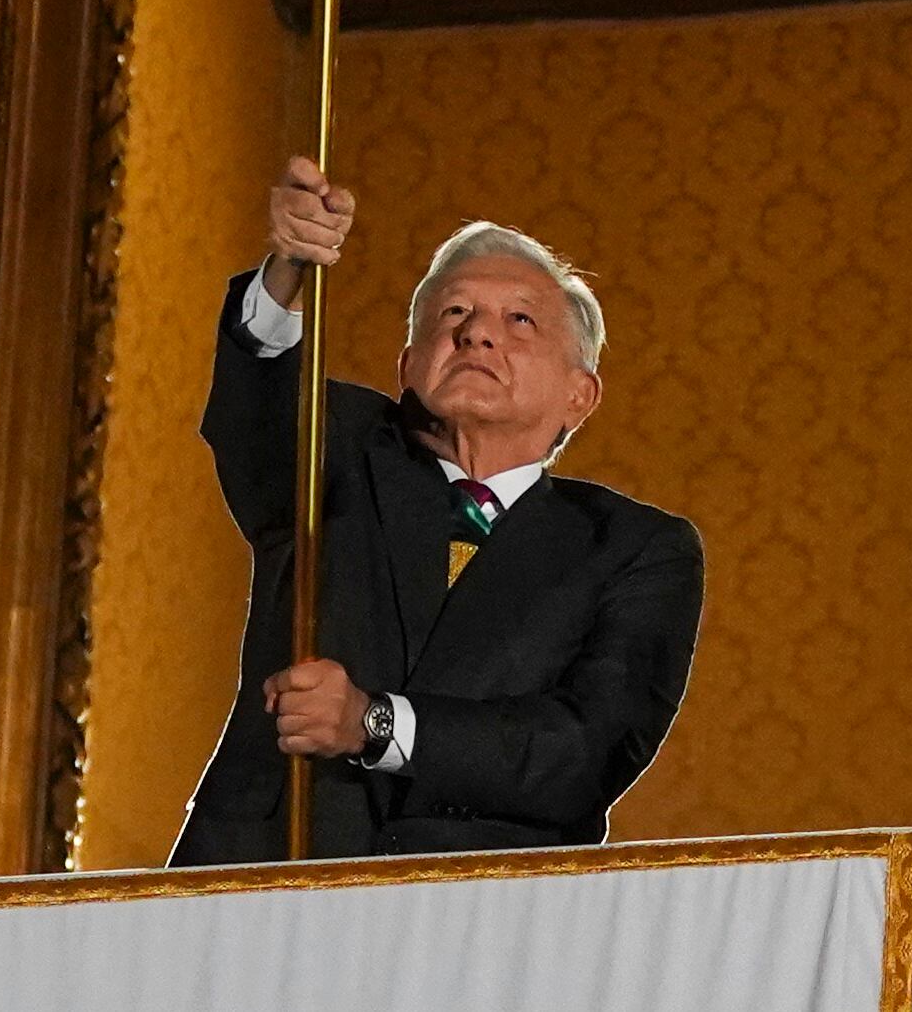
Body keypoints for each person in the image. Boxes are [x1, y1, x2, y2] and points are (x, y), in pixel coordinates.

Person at [170, 158, 704, 863]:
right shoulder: (338, 453)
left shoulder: (634, 547)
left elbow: (583, 750)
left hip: (485, 912)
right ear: (406, 366)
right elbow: (258, 408)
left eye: (519, 321)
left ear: (581, 394)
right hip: (271, 875)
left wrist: (373, 722)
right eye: (454, 313)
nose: (478, 335)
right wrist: (288, 272)